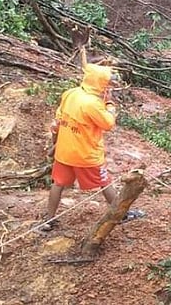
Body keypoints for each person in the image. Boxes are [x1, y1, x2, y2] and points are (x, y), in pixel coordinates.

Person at [39, 62, 138, 231]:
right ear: (99, 83)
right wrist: (110, 107)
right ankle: (121, 215)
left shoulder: (70, 94)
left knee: (58, 184)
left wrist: (54, 144)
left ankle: (48, 220)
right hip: (86, 154)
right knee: (105, 182)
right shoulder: (92, 103)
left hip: (64, 152)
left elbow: (58, 121)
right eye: (106, 82)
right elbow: (108, 124)